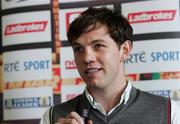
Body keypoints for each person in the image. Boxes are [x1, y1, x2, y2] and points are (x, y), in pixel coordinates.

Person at [40, 7, 180, 124]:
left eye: (98, 46)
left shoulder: (168, 112)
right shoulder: (53, 116)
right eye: (79, 49)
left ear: (124, 50)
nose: (87, 57)